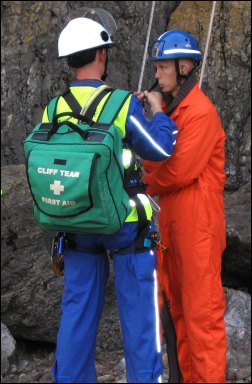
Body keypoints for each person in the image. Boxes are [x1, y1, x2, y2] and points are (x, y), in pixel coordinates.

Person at [41, 16, 178, 383]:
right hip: (125, 225)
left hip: (75, 222)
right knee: (139, 317)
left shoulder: (53, 109)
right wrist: (160, 114)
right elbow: (159, 150)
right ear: (102, 55)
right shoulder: (120, 104)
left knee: (77, 311)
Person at [139, 30, 227, 383]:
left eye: (163, 68)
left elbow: (176, 171)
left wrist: (137, 185)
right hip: (174, 228)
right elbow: (154, 161)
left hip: (198, 232)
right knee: (179, 316)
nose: (157, 75)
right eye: (157, 68)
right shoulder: (174, 113)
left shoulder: (200, 112)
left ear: (185, 66)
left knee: (201, 320)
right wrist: (149, 118)